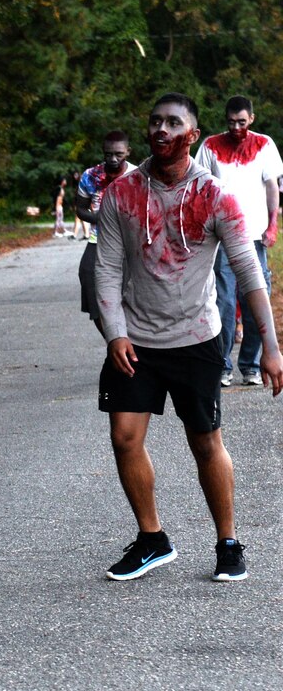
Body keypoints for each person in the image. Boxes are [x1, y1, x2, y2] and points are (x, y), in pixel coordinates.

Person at [94, 92, 283, 583]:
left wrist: (271, 345)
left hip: (197, 338)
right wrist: (114, 333)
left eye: (172, 123)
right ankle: (153, 539)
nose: (160, 129)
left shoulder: (215, 196)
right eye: (154, 121)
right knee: (124, 437)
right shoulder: (121, 194)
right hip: (135, 339)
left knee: (205, 442)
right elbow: (108, 269)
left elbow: (247, 270)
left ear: (192, 136)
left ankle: (227, 541)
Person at [194, 96, 283, 387]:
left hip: (254, 237)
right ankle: (222, 365)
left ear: (252, 119)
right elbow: (200, 187)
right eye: (231, 122)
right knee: (223, 302)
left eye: (241, 122)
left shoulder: (264, 145)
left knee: (258, 299)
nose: (236, 128)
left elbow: (272, 186)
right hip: (221, 239)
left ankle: (251, 365)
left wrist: (272, 225)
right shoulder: (209, 146)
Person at [74, 131, 134, 335]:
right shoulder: (90, 175)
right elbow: (80, 209)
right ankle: (113, 340)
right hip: (98, 239)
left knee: (129, 292)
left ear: (128, 152)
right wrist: (101, 217)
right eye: (108, 154)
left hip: (131, 242)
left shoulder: (137, 176)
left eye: (119, 154)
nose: (113, 159)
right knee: (87, 276)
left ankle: (132, 341)